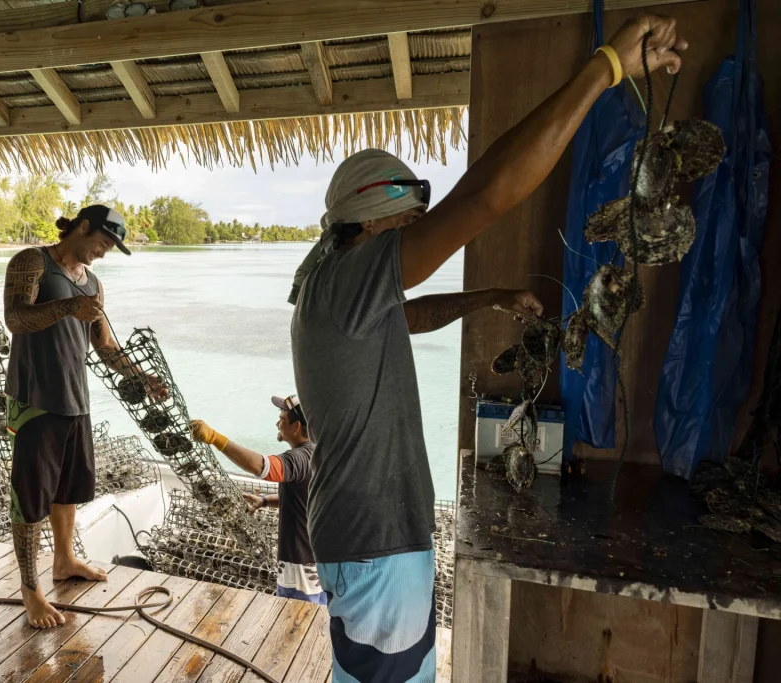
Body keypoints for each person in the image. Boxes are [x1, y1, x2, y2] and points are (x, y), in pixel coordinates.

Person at [289, 16, 687, 683]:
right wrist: (605, 70)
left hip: (362, 539)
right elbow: (486, 195)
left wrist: (484, 297)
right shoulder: (350, 268)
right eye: (408, 222)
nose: (417, 232)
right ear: (368, 215)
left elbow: (405, 316)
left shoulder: (331, 280)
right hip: (376, 545)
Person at [3, 204, 167, 629]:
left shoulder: (92, 283)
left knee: (67, 490)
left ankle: (64, 560)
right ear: (81, 227)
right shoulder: (31, 262)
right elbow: (15, 319)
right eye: (102, 241)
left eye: (111, 247)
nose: (104, 251)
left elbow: (105, 347)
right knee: (29, 499)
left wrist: (142, 376)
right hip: (35, 400)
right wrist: (66, 307)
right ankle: (30, 590)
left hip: (76, 401)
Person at [190, 394, 325, 605]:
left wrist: (215, 438)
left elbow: (263, 467)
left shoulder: (299, 457)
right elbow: (308, 497)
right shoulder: (321, 453)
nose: (277, 423)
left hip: (299, 571)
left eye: (282, 418)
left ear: (297, 427)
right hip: (320, 563)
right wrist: (265, 500)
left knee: (294, 626)